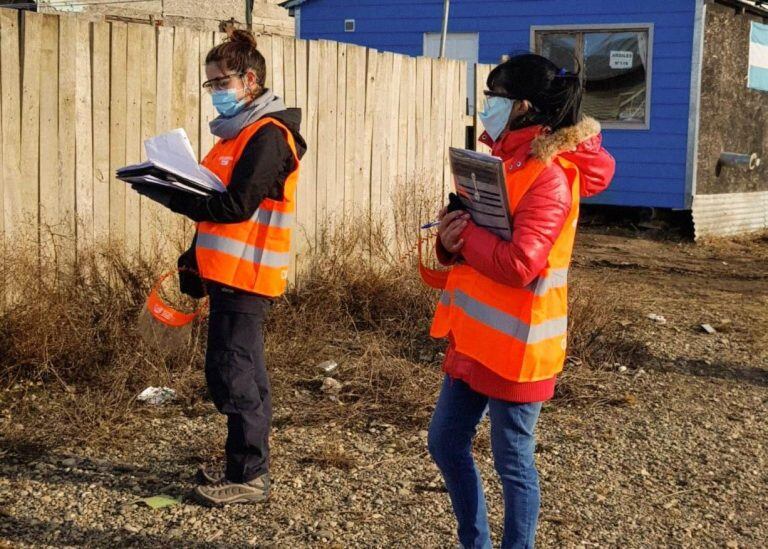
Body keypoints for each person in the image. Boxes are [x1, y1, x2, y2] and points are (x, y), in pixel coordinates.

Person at [426, 54, 615, 548]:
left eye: (495, 97)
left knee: (512, 461)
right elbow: (466, 243)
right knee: (445, 443)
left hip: (518, 347)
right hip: (472, 337)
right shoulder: (496, 163)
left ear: (524, 107)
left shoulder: (548, 177)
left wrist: (464, 239)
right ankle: (476, 542)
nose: (485, 106)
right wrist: (448, 240)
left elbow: (519, 264)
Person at [133, 29, 306, 506]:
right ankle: (243, 469)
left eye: (220, 82)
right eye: (210, 85)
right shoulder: (238, 134)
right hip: (225, 273)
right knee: (244, 371)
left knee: (234, 373)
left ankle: (249, 475)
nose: (215, 93)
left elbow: (233, 206)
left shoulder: (270, 136)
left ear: (250, 80)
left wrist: (168, 193)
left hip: (248, 276)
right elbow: (214, 206)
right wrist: (193, 259)